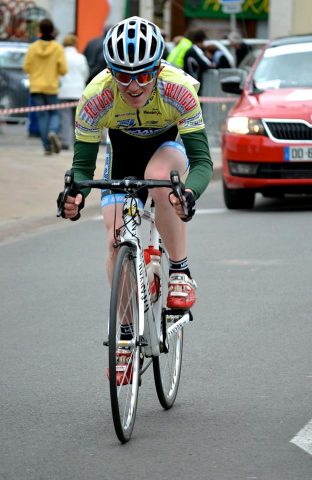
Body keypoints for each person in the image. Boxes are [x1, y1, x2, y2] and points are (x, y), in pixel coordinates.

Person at [60, 17, 213, 371]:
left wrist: (189, 192)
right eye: (122, 75)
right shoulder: (95, 96)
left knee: (160, 179)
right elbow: (83, 168)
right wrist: (75, 196)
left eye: (143, 75)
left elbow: (203, 161)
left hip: (167, 146)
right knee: (115, 238)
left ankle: (180, 270)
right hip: (123, 152)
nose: (132, 85)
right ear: (110, 71)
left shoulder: (178, 89)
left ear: (158, 69)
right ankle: (126, 335)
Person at [23, 18, 67, 155]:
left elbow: (26, 67)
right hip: (51, 87)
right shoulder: (57, 48)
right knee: (54, 113)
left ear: (40, 30)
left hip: (36, 86)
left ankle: (47, 147)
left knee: (42, 116)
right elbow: (64, 69)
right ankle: (53, 131)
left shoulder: (32, 47)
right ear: (52, 30)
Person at [58, 34, 89, 150]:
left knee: (65, 118)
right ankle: (78, 140)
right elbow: (85, 73)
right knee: (78, 119)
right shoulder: (80, 57)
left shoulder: (61, 57)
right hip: (78, 91)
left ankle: (65, 142)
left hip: (64, 90)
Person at [183, 29, 214, 94]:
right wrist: (212, 65)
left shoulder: (192, 50)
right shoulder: (195, 51)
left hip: (190, 81)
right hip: (194, 81)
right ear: (202, 40)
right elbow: (205, 65)